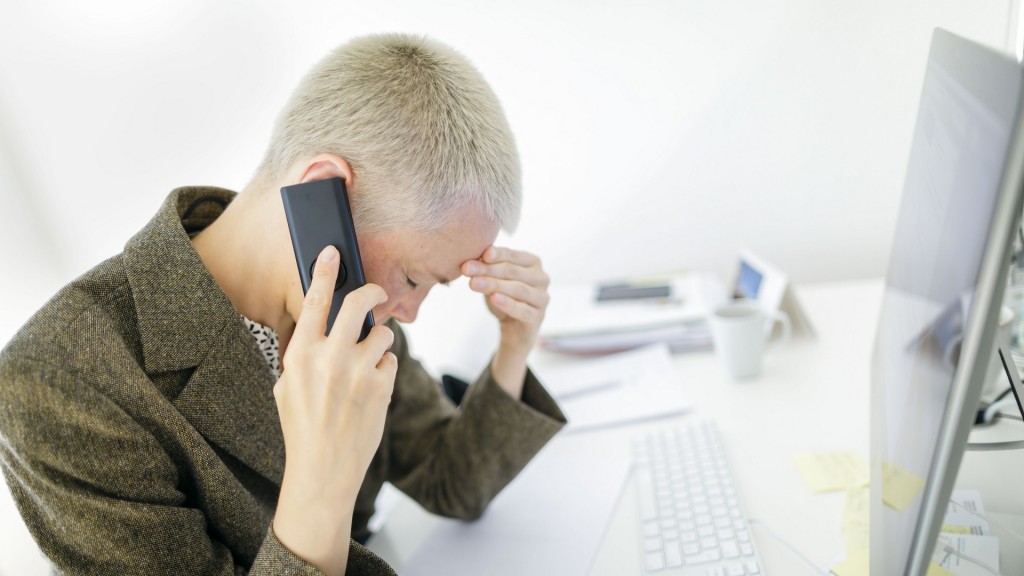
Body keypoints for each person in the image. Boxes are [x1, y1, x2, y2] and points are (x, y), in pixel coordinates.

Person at [0, 33, 566, 575]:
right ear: (325, 191)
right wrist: (321, 478)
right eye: (415, 277)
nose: (410, 310)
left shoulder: (348, 310)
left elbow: (452, 482)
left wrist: (514, 346)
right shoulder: (57, 380)